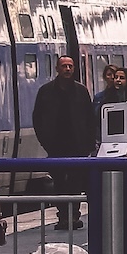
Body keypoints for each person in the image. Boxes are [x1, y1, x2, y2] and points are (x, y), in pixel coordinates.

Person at [33, 56, 96, 230]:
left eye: (70, 66)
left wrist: (89, 143)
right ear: (57, 69)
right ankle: (62, 216)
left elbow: (90, 118)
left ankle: (74, 216)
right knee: (59, 182)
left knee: (76, 183)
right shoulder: (45, 92)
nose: (67, 69)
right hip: (55, 146)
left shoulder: (81, 92)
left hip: (78, 146)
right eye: (64, 66)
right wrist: (45, 140)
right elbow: (37, 118)